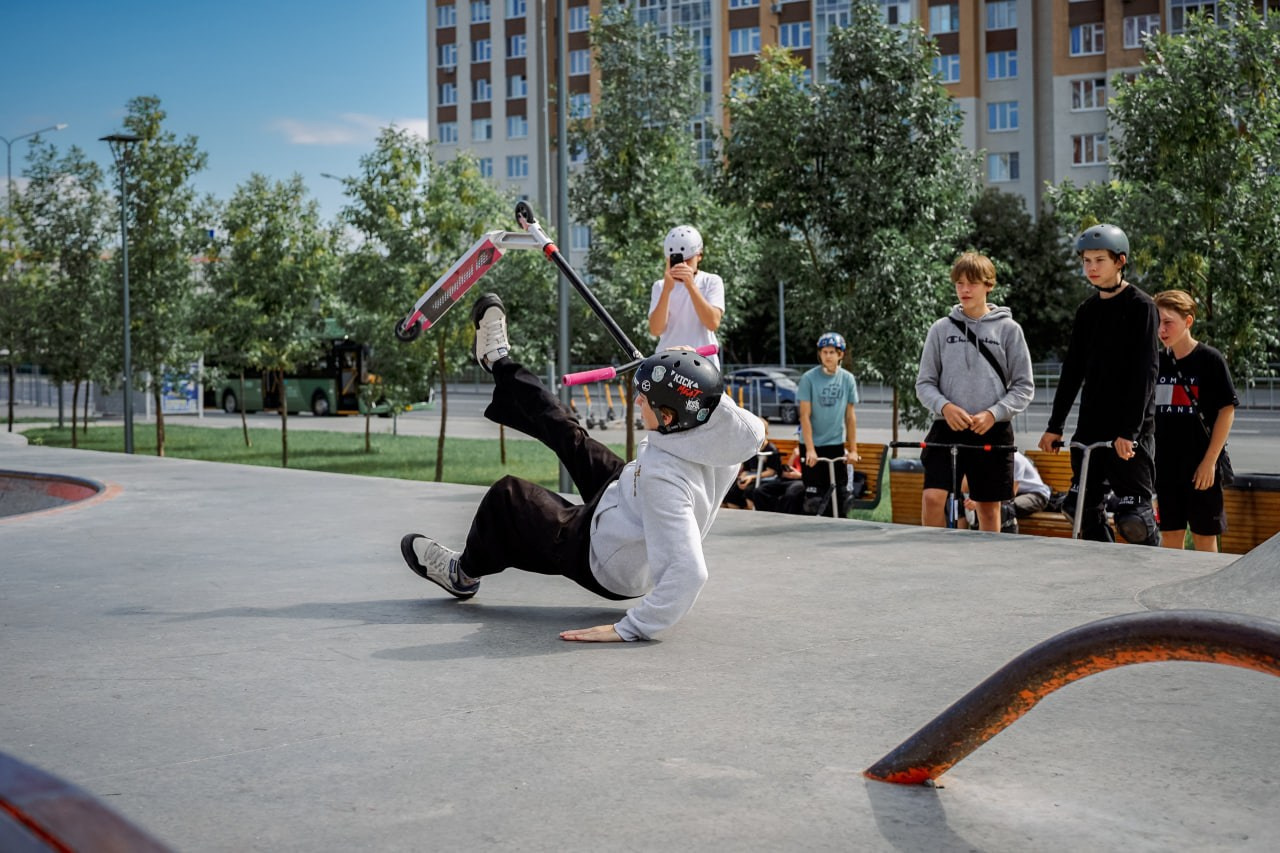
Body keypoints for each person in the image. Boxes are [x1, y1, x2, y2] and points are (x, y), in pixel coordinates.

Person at [400, 293, 765, 642]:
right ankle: (498, 362)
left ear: (669, 417)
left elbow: (689, 573)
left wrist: (632, 627)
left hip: (603, 555)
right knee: (567, 430)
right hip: (626, 495)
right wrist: (676, 369)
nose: (638, 400)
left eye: (646, 399)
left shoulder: (664, 483)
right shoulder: (719, 433)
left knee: (509, 498)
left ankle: (462, 573)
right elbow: (747, 424)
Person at [1038, 224, 1161, 545]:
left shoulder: (1141, 306)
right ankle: (1104, 575)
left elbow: (1146, 373)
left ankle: (1149, 576)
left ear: (1120, 261)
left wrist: (1130, 432)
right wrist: (1055, 425)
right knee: (1077, 508)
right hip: (1091, 428)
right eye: (1086, 261)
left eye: (1099, 260)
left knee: (1135, 521)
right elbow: (1072, 372)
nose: (1091, 268)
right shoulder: (1087, 311)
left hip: (1128, 432)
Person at [916, 252, 1034, 531]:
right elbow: (924, 383)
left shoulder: (1009, 329)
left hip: (992, 429)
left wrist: (993, 414)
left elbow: (1024, 386)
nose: (965, 290)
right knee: (933, 497)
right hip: (947, 427)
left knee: (988, 508)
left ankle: (986, 567)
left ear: (989, 285)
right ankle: (927, 558)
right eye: (959, 284)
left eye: (972, 283)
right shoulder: (941, 329)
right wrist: (945, 407)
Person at [1153, 289, 1238, 552]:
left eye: (1168, 322)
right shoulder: (1155, 362)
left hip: (1201, 468)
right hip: (1165, 468)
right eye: (1158, 322)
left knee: (1204, 539)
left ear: (1188, 321)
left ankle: (1209, 595)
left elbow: (1227, 411)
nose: (1161, 329)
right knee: (1170, 538)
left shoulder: (1210, 359)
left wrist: (1209, 462)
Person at [797, 332, 860, 517]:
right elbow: (804, 416)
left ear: (840, 354)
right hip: (812, 446)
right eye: (824, 352)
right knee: (814, 501)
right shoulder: (809, 379)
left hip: (835, 445)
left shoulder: (847, 379)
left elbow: (850, 417)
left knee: (842, 499)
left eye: (832, 352)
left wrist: (853, 449)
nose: (828, 356)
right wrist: (810, 449)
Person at [648, 225, 725, 366]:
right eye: (676, 261)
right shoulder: (660, 286)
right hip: (668, 362)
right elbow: (655, 329)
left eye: (688, 260)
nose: (682, 265)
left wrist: (691, 285)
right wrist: (667, 290)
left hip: (703, 362)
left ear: (699, 255)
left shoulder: (711, 281)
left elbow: (712, 323)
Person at [722, 425, 782, 510]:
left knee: (750, 491)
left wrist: (751, 477)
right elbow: (747, 469)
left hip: (765, 480)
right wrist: (742, 477)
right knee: (731, 491)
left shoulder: (771, 450)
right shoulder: (751, 448)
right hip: (750, 478)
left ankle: (751, 514)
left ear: (766, 433)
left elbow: (771, 472)